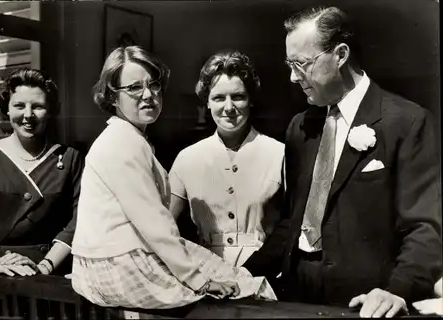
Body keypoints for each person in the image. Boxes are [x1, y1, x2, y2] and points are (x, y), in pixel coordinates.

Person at [242, 6, 442, 318]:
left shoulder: (407, 123)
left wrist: (397, 290)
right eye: (289, 64)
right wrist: (245, 273)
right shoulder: (300, 127)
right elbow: (293, 221)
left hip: (365, 303)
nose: (293, 77)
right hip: (296, 296)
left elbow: (425, 227)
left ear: (341, 54)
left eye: (302, 64)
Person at [71, 45, 276, 310]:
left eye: (153, 85)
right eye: (134, 88)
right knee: (242, 289)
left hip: (109, 263)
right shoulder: (123, 144)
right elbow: (155, 224)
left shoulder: (127, 139)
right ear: (112, 97)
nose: (148, 95)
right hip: (125, 267)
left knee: (236, 283)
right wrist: (200, 280)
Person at [0, 68, 83, 316]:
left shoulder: (70, 158)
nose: (28, 115)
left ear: (51, 110)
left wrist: (45, 266)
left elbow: (79, 221)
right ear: (7, 108)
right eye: (19, 105)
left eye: (38, 106)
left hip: (49, 278)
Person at [169, 51, 285, 267]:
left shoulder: (280, 154)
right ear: (207, 102)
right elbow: (163, 228)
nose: (229, 107)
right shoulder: (187, 159)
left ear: (251, 100)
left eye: (238, 96)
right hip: (207, 273)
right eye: (219, 98)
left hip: (265, 272)